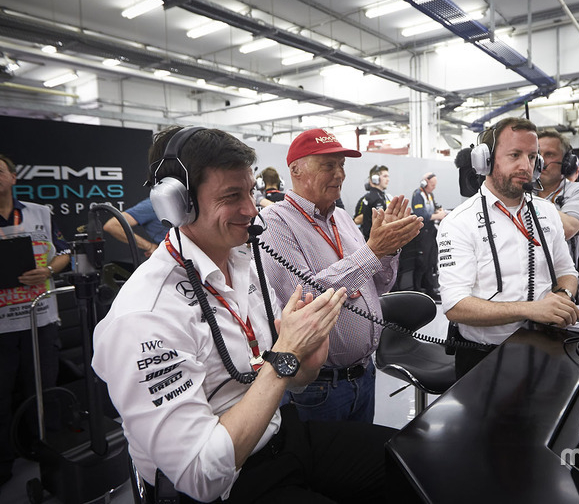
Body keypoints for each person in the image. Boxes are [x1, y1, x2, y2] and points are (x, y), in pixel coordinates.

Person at [92, 127, 396, 503]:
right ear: (176, 204)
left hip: (280, 437)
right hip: (228, 482)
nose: (251, 210)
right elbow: (201, 476)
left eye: (249, 192)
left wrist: (306, 365)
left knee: (406, 459)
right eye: (231, 196)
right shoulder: (144, 316)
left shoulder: (244, 266)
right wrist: (286, 358)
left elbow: (291, 380)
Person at [260, 129, 422, 423]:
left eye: (342, 165)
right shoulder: (274, 223)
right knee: (325, 468)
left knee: (358, 466)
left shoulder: (342, 218)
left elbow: (380, 285)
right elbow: (306, 298)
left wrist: (388, 249)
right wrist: (373, 251)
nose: (340, 174)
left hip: (365, 374)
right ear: (295, 170)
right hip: (319, 387)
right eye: (328, 166)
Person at [436, 118, 579, 378]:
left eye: (532, 157)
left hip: (547, 345)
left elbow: (567, 271)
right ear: (485, 161)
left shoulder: (548, 213)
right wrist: (531, 310)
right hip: (483, 357)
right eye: (514, 155)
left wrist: (563, 298)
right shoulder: (458, 222)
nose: (525, 166)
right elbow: (455, 306)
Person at [0, 153, 71, 488]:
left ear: (14, 177)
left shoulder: (39, 213)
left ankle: (48, 454)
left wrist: (48, 270)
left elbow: (65, 251)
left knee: (44, 390)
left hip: (40, 318)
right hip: (1, 327)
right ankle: (3, 463)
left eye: (0, 171)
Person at [535, 130, 579, 266]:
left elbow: (567, 229)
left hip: (561, 280)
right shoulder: (524, 191)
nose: (541, 160)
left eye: (549, 154)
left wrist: (522, 199)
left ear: (567, 162)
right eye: (537, 154)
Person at [409, 173, 447, 299]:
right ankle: (417, 291)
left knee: (431, 261)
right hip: (422, 232)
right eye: (432, 185)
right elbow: (421, 215)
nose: (434, 187)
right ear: (425, 183)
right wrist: (437, 216)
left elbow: (433, 209)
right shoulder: (418, 195)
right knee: (422, 262)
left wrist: (439, 212)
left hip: (431, 232)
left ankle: (430, 290)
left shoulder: (429, 195)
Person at [103, 197, 168, 258]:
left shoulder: (175, 202)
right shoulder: (155, 204)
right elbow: (112, 226)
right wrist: (149, 246)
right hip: (170, 257)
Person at [353, 165, 390, 240]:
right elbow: (356, 220)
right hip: (371, 240)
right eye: (385, 176)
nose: (388, 179)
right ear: (374, 179)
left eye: (388, 176)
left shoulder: (383, 196)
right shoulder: (367, 198)